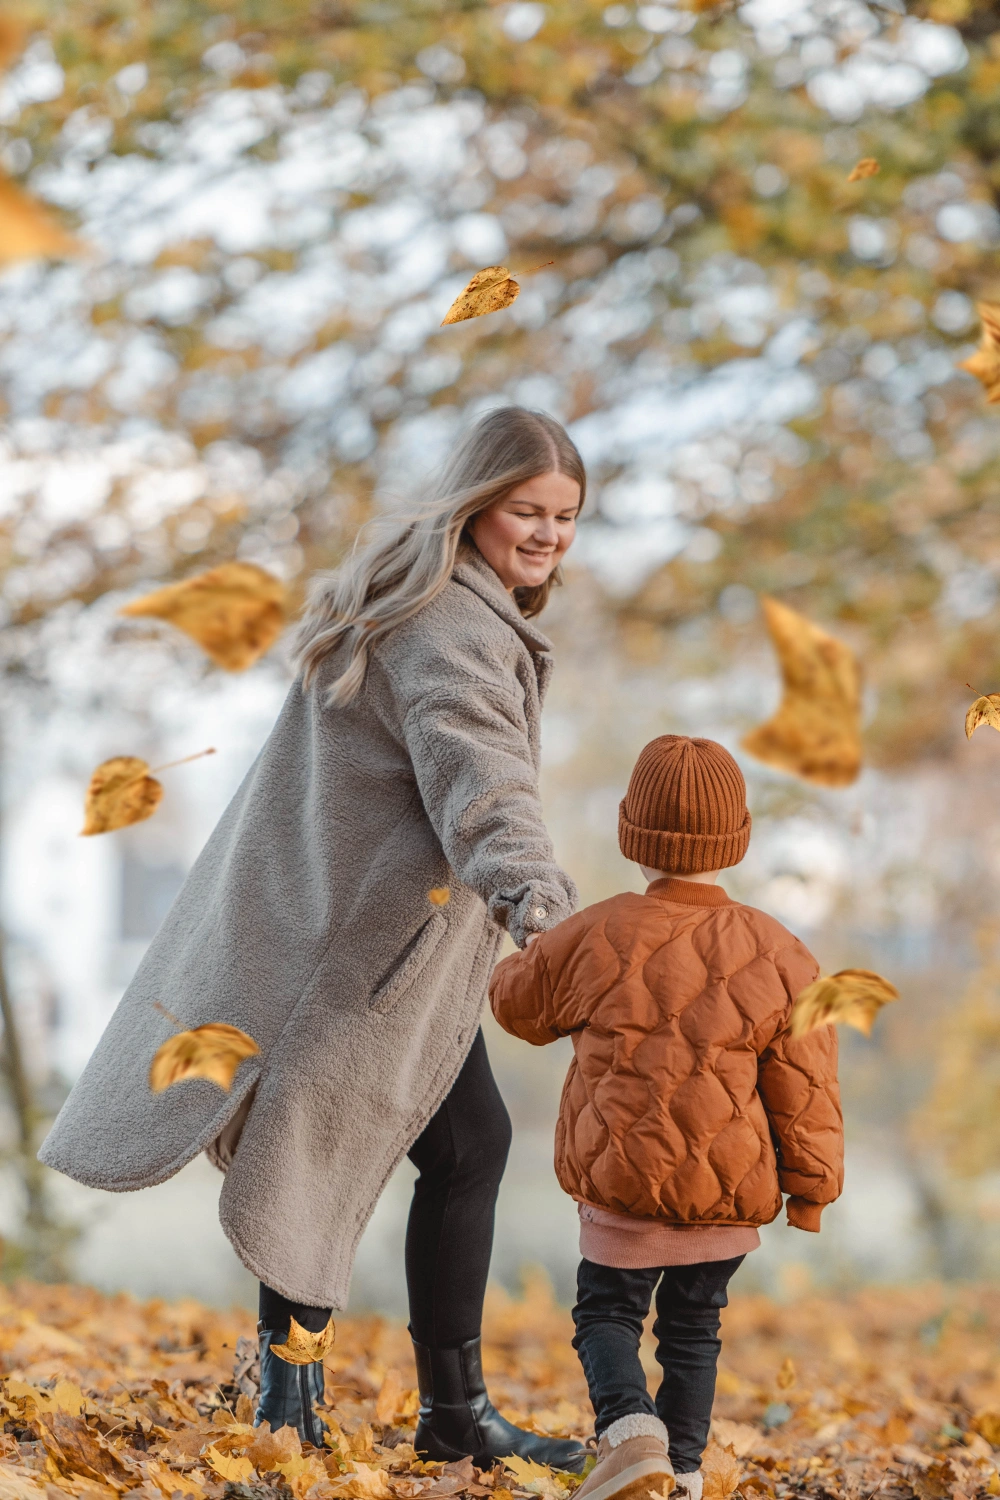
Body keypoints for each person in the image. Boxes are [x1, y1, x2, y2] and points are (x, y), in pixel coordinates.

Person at [39, 406, 589, 1470]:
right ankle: (296, 1418)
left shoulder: (434, 604)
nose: (548, 535)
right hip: (353, 959)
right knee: (313, 1151)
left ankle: (444, 1413)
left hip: (383, 950)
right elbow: (485, 789)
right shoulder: (449, 627)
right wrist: (543, 915)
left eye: (566, 517)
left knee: (463, 1144)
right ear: (475, 504)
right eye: (527, 510)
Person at [490, 735, 844, 1500]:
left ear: (631, 834)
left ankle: (630, 1433)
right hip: (726, 1195)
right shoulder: (780, 952)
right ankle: (681, 1474)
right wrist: (810, 1191)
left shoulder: (598, 933)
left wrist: (535, 938)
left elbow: (517, 1004)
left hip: (621, 1182)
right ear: (738, 839)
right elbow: (806, 1083)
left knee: (606, 1315)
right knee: (694, 1330)